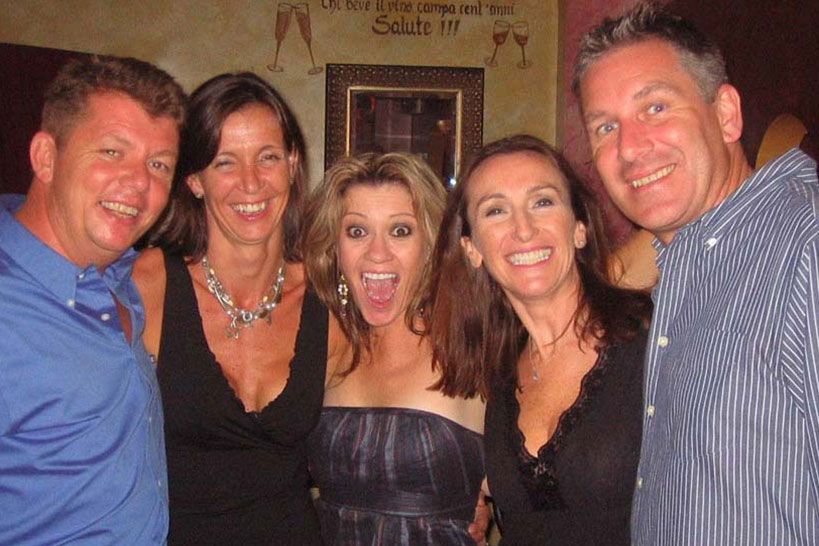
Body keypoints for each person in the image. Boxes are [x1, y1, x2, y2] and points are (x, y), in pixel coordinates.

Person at [573, 3, 819, 544]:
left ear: (726, 114)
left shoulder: (803, 245)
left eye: (656, 107)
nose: (629, 148)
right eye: (606, 127)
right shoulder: (689, 260)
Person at [134, 72, 337, 545]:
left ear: (292, 164)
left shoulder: (330, 295)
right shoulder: (149, 286)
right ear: (194, 179)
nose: (251, 183)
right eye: (225, 162)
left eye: (268, 157)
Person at [428, 134, 653, 545]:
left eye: (543, 202)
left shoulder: (650, 341)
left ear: (579, 228)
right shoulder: (496, 371)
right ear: (472, 248)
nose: (524, 229)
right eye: (496, 211)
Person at [0, 55, 185, 544]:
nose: (139, 182)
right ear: (46, 157)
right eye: (112, 151)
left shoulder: (125, 280)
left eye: (159, 164)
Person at [302, 152, 486, 545]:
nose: (377, 252)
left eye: (400, 231)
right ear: (334, 248)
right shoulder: (324, 347)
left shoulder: (471, 346)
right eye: (357, 231)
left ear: (431, 244)